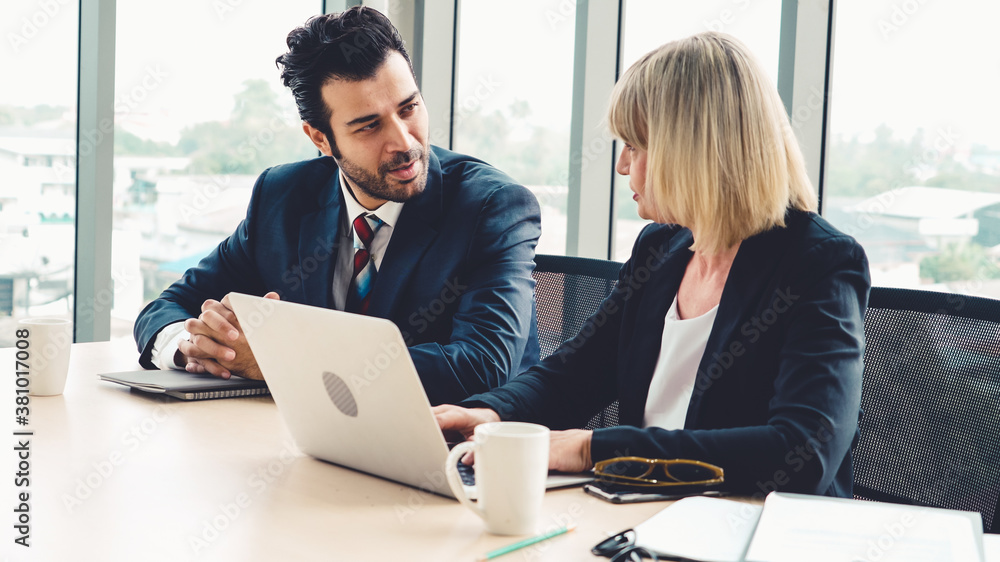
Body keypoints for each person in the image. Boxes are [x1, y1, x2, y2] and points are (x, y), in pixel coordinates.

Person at [435, 32, 870, 497]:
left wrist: (593, 450)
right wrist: (492, 414)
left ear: (691, 153)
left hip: (749, 530)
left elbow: (801, 452)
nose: (623, 166)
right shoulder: (660, 248)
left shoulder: (818, 263)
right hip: (635, 512)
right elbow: (577, 374)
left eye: (635, 146)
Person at [133, 7, 541, 406]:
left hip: (460, 456)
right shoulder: (281, 196)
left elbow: (481, 366)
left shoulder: (492, 207)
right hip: (312, 443)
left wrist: (282, 361)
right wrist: (197, 348)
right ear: (320, 139)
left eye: (408, 108)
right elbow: (168, 306)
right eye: (369, 125)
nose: (404, 143)